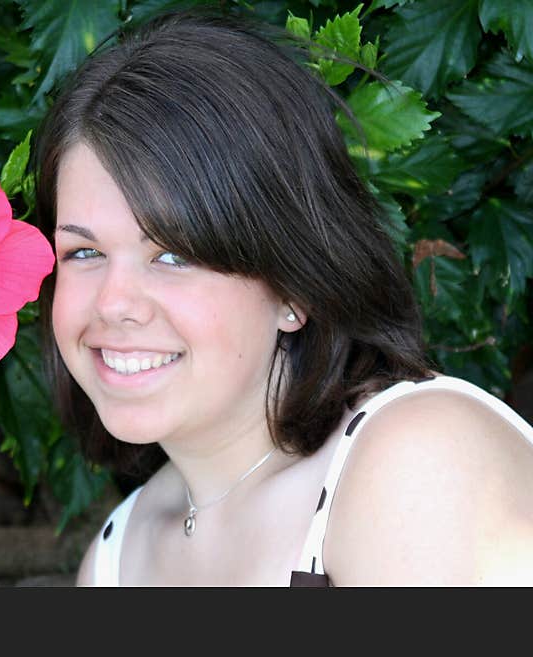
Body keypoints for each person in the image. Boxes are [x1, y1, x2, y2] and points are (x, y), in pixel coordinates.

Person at [32, 9, 533, 586]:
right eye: (84, 254)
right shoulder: (116, 561)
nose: (114, 304)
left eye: (174, 255)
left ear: (294, 287)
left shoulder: (414, 459)